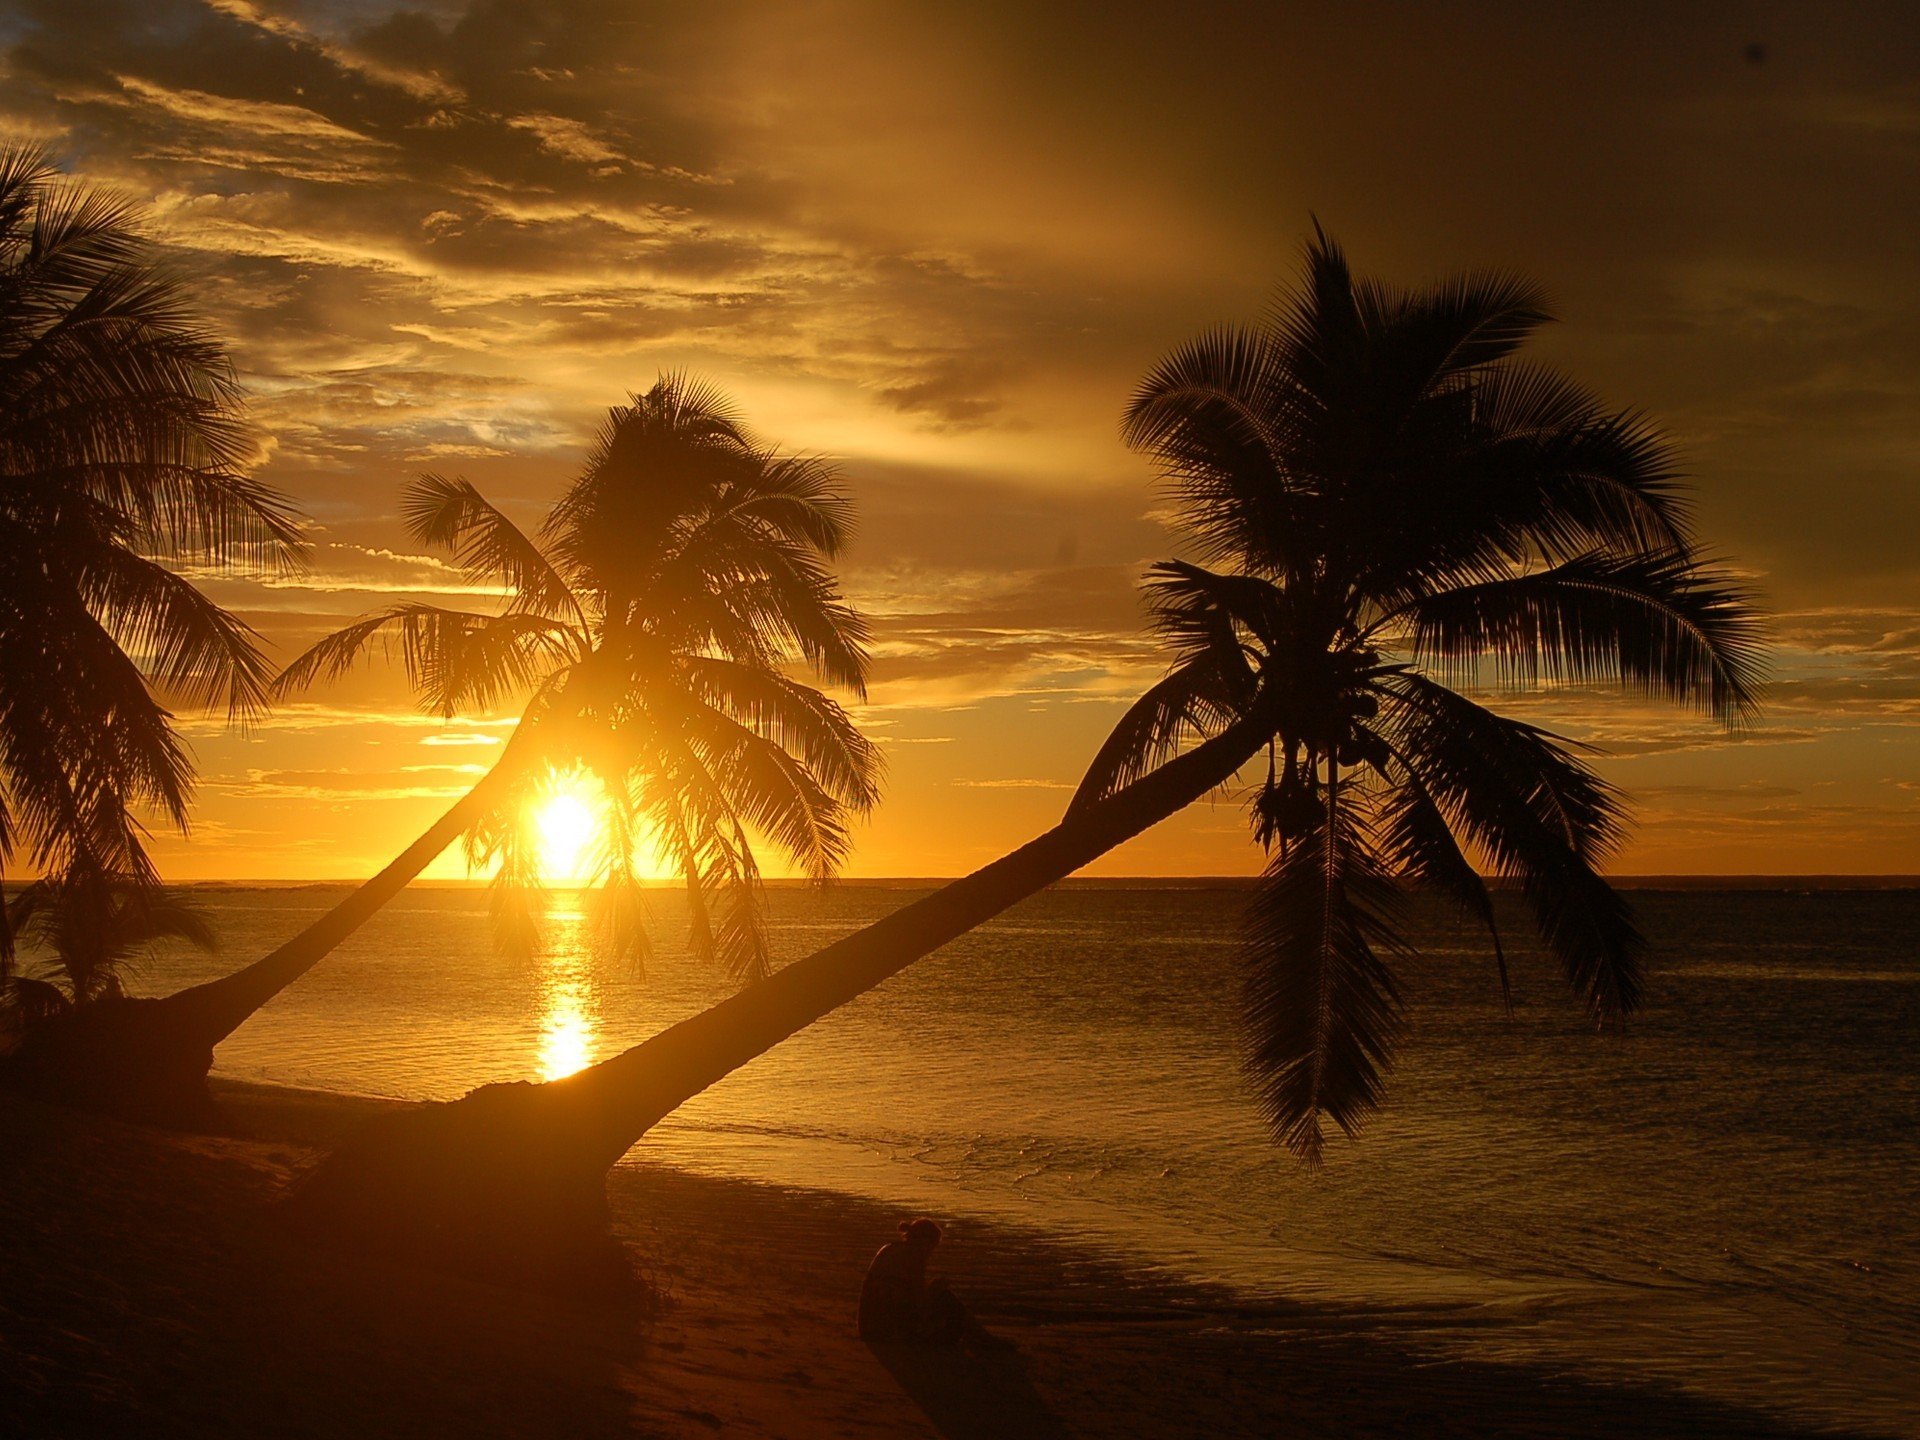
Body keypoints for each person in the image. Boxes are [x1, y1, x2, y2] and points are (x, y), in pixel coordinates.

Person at [858, 1217, 966, 1343]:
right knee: (946, 1297)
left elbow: (905, 1291)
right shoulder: (914, 1258)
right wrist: (935, 1289)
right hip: (886, 1331)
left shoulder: (890, 1249)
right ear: (925, 1243)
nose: (931, 1252)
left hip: (868, 1326)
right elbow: (919, 1301)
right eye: (932, 1247)